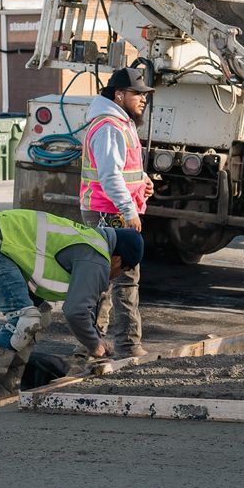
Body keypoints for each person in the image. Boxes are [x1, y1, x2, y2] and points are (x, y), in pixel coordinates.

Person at [0, 209, 144, 403]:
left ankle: (6, 392)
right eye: (122, 270)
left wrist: (95, 338)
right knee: (24, 320)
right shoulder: (97, 257)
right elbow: (75, 311)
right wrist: (94, 344)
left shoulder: (91, 244)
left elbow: (83, 305)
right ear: (117, 259)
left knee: (40, 315)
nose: (116, 275)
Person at [82, 66, 155, 357]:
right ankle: (126, 345)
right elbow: (110, 177)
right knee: (123, 280)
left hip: (111, 210)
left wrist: (143, 182)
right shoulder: (110, 127)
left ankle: (95, 344)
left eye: (144, 94)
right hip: (109, 212)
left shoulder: (120, 124)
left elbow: (124, 171)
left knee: (106, 279)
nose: (143, 99)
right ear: (119, 95)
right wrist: (129, 211)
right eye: (137, 93)